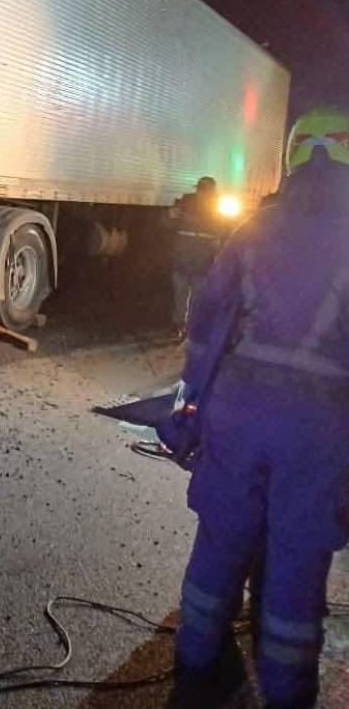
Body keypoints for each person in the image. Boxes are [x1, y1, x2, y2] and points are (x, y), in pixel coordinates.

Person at [171, 105, 349, 708]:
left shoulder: (256, 227)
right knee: (297, 558)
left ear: (293, 156)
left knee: (221, 537)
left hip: (239, 410)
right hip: (319, 425)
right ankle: (286, 691)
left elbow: (208, 321)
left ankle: (195, 661)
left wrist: (190, 399)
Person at [166, 176, 225, 337]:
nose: (203, 194)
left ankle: (190, 326)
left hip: (201, 261)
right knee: (181, 294)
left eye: (207, 191)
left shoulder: (217, 209)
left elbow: (222, 236)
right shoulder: (184, 203)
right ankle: (180, 325)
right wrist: (170, 215)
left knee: (196, 296)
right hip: (184, 258)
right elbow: (167, 224)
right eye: (201, 190)